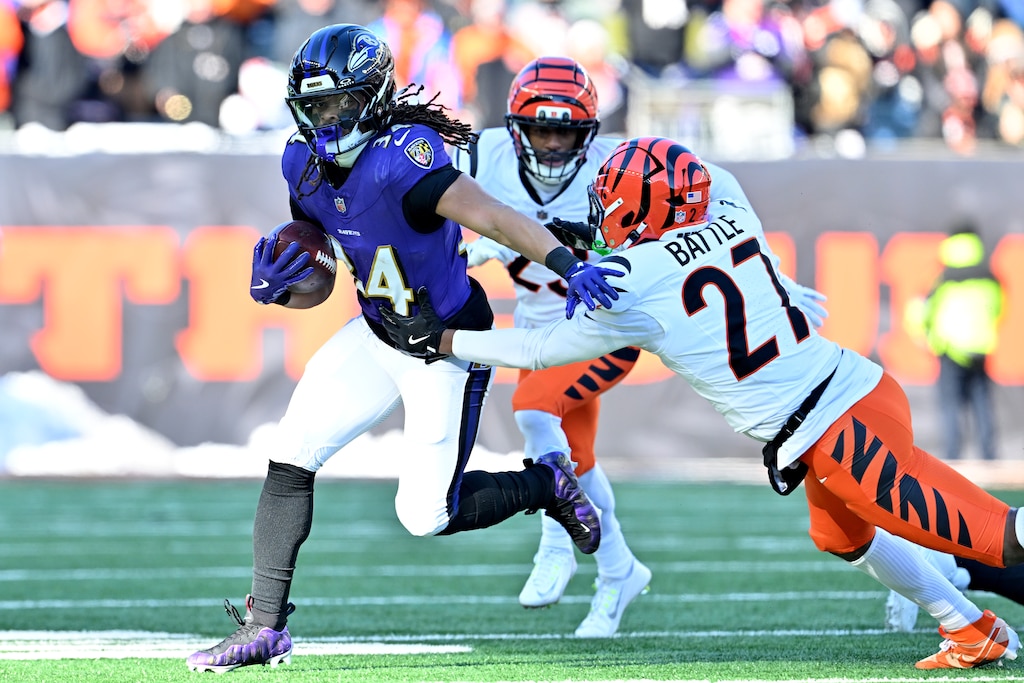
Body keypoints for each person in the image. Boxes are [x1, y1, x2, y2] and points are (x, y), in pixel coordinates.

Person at [380, 136, 1024, 670]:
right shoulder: (732, 213)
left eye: (612, 200)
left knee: (1004, 538)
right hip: (845, 396)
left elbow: (542, 348)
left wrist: (446, 340)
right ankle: (969, 628)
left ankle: (970, 608)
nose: (602, 210)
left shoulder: (634, 284)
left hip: (838, 424)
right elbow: (706, 179)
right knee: (840, 535)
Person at [185, 23, 622, 674]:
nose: (324, 121)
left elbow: (495, 217)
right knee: (290, 452)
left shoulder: (405, 161)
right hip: (380, 325)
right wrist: (285, 281)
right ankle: (265, 627)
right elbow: (328, 255)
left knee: (425, 515)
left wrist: (565, 260)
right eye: (314, 108)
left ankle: (545, 483)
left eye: (336, 105)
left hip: (443, 340)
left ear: (371, 99)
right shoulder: (300, 163)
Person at [454, 55, 828, 638]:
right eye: (540, 129)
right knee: (576, 459)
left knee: (531, 413)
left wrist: (770, 267)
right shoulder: (480, 157)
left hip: (605, 327)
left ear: (591, 133)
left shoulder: (622, 163)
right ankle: (618, 569)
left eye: (566, 131)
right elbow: (441, 207)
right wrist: (473, 249)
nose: (552, 145)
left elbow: (716, 184)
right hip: (540, 325)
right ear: (513, 127)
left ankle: (556, 540)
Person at [905, 224, 1004, 461]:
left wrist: (926, 338)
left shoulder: (942, 277)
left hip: (950, 346)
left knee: (950, 406)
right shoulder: (990, 276)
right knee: (982, 404)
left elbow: (920, 310)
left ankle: (953, 458)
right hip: (981, 346)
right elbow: (1000, 307)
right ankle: (990, 458)